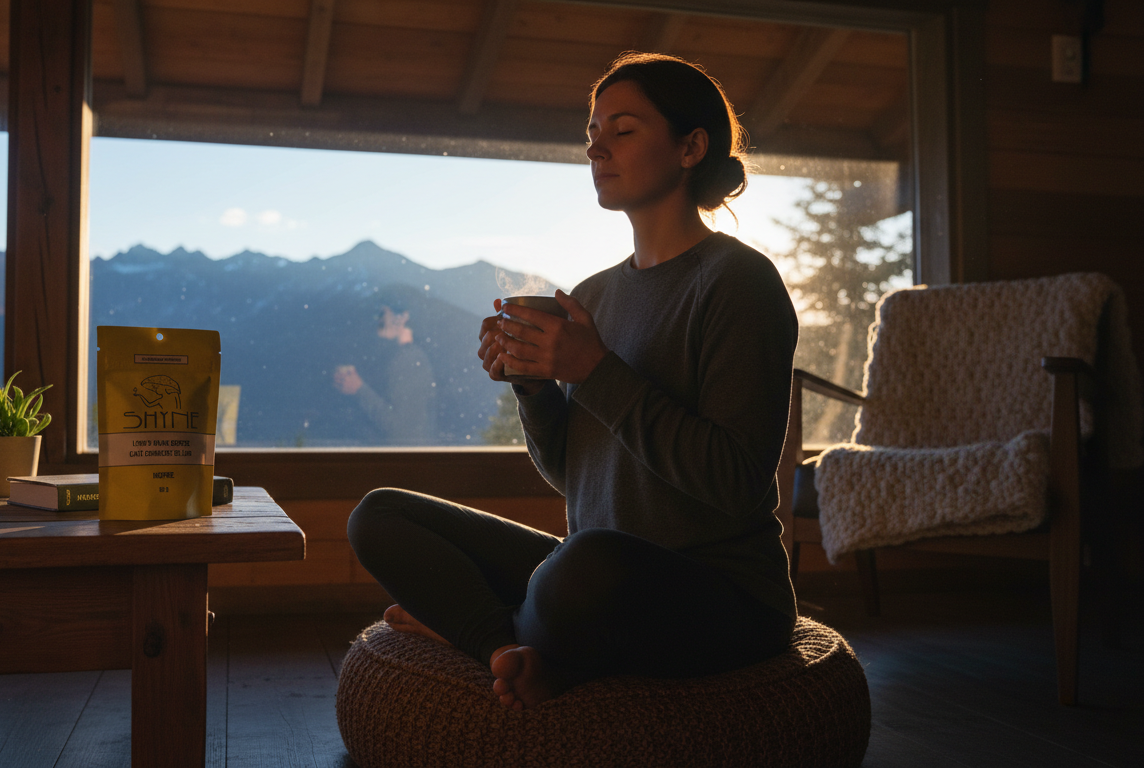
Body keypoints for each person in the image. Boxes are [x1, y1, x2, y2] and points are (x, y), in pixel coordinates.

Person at [347, 52, 800, 711]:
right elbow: (575, 473)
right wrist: (534, 386)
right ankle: (509, 644)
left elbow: (735, 481)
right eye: (591, 132)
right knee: (379, 515)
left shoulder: (737, 284)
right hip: (598, 571)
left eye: (622, 129)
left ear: (690, 147)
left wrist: (592, 369)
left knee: (581, 569)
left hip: (716, 595)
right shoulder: (595, 294)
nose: (596, 147)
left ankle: (483, 630)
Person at [334, 303, 437, 445]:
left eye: (382, 314)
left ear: (402, 317)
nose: (378, 320)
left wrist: (359, 389)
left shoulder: (410, 361)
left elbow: (405, 432)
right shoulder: (400, 358)